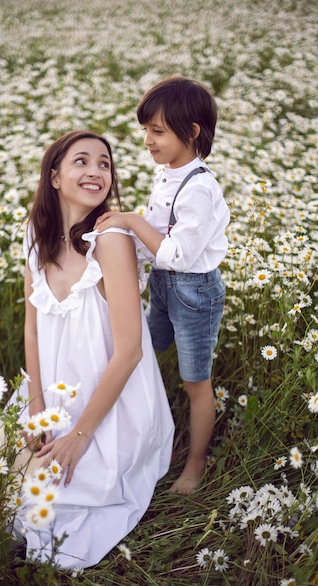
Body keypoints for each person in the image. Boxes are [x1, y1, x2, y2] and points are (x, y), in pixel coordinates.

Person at [0, 130, 175, 569]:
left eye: (105, 164)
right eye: (82, 161)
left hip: (113, 405)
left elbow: (129, 351)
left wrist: (79, 435)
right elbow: (32, 332)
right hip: (52, 395)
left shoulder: (110, 242)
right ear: (54, 175)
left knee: (58, 501)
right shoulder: (35, 239)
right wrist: (37, 410)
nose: (96, 171)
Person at [95, 77, 230, 495]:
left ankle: (195, 463)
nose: (147, 142)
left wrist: (132, 222)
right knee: (135, 354)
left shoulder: (200, 188)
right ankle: (141, 436)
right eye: (145, 131)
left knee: (195, 382)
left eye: (157, 132)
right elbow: (155, 239)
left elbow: (175, 254)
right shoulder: (169, 173)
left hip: (194, 294)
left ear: (191, 132)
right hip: (164, 287)